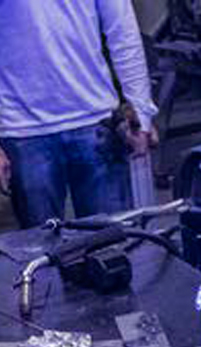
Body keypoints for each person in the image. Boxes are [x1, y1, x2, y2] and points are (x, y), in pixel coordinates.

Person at [0, 0, 158, 228]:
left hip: (97, 125)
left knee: (111, 250)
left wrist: (141, 113)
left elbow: (123, 32)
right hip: (24, 132)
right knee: (41, 253)